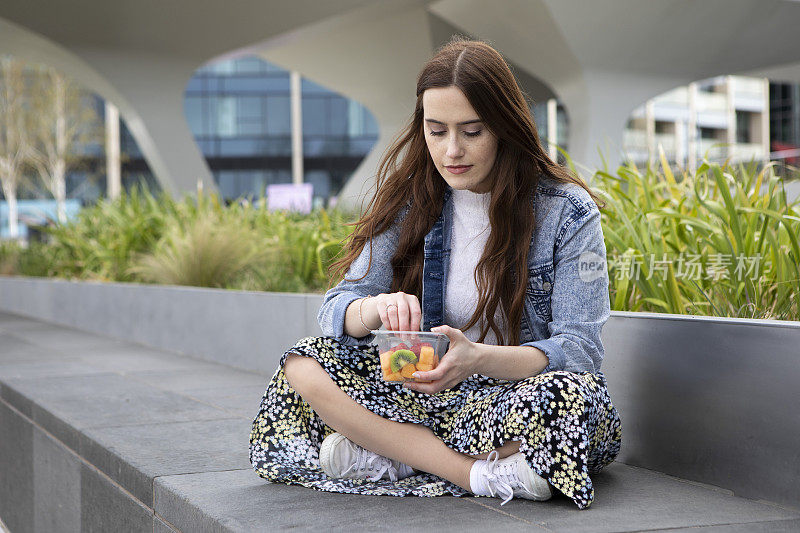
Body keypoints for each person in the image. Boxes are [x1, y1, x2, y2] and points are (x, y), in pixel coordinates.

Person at [249, 36, 621, 510]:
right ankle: (476, 474)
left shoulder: (566, 213)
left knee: (569, 400)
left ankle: (397, 453)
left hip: (512, 398)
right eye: (436, 130)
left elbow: (579, 350)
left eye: (472, 131)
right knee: (303, 365)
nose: (451, 151)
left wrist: (477, 359)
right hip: (424, 391)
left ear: (505, 127)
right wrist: (374, 308)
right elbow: (336, 310)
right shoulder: (412, 201)